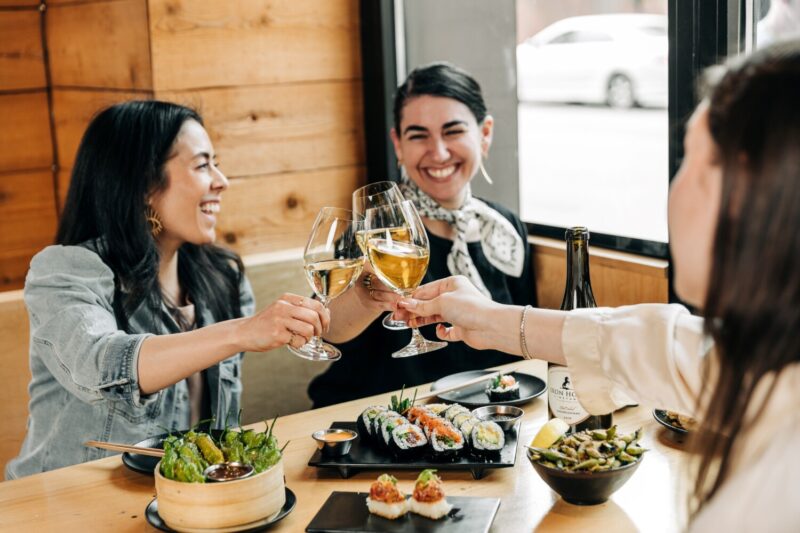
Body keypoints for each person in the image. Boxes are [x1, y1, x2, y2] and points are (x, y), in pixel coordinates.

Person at [396, 42, 800, 531]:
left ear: (758, 201)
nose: (676, 187)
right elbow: (644, 342)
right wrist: (486, 320)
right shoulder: (760, 358)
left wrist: (488, 321)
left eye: (691, 161)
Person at [6, 101, 328, 479]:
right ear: (144, 184)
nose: (222, 181)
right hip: (64, 505)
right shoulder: (64, 271)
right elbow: (101, 364)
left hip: (183, 503)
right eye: (202, 165)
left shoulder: (221, 279)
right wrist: (242, 332)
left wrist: (370, 297)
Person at [307, 63, 537, 407]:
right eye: (418, 135)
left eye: (453, 131)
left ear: (485, 133)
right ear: (398, 144)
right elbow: (329, 327)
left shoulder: (504, 228)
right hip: (380, 421)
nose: (439, 152)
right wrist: (365, 296)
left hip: (483, 417)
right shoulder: (372, 231)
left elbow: (521, 341)